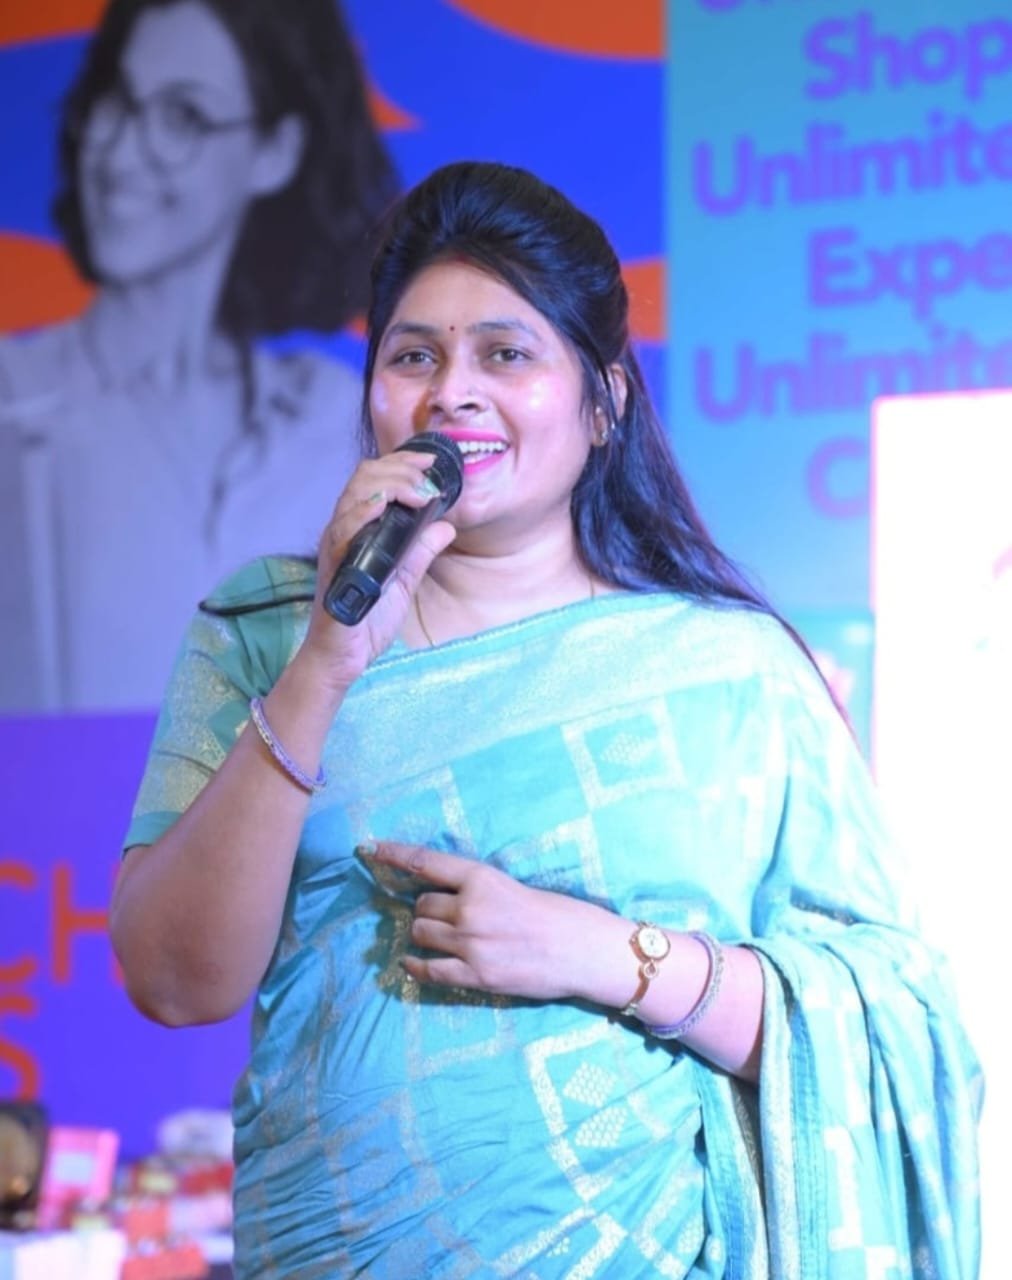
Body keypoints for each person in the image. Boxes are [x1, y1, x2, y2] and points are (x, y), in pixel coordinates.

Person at [110, 161, 982, 1278]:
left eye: (506, 354)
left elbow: (896, 1023)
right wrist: (329, 656)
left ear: (603, 401)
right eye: (413, 356)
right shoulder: (265, 628)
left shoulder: (730, 673)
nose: (451, 394)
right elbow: (173, 980)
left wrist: (602, 955)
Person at [0, 0, 397, 712]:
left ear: (275, 151)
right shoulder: (14, 400)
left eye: (182, 116)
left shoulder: (334, 423)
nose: (121, 153)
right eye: (117, 102)